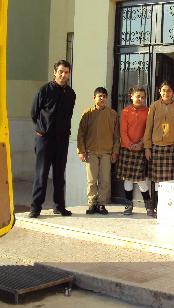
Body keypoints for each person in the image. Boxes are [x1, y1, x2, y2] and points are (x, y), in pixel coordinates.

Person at [29, 60, 77, 218]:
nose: (63, 75)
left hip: (61, 139)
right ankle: (36, 207)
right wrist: (44, 129)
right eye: (61, 72)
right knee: (41, 175)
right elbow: (34, 113)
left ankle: (59, 206)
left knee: (59, 174)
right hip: (44, 139)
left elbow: (68, 115)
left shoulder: (71, 94)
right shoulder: (43, 91)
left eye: (66, 72)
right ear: (55, 72)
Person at [77, 87, 120, 215]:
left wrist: (115, 152)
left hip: (106, 152)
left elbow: (116, 135)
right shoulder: (87, 114)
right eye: (99, 96)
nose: (101, 99)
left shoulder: (112, 114)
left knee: (104, 180)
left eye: (104, 96)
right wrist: (81, 151)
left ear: (107, 98)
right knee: (91, 180)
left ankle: (102, 203)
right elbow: (81, 134)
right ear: (94, 98)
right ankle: (91, 203)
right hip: (90, 152)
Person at [144, 81, 174, 217]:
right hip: (156, 146)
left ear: (173, 93)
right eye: (163, 90)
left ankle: (167, 207)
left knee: (169, 180)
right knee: (155, 180)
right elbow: (148, 127)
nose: (166, 93)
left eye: (169, 91)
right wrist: (147, 147)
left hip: (171, 147)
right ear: (159, 92)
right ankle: (154, 206)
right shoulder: (154, 106)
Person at [117, 86, 152, 216]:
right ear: (131, 96)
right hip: (127, 149)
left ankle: (148, 203)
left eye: (143, 97)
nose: (140, 99)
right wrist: (130, 144)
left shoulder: (148, 111)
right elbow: (123, 131)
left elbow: (148, 129)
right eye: (138, 96)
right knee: (128, 179)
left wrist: (141, 142)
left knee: (141, 178)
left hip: (141, 148)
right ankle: (128, 203)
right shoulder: (125, 111)